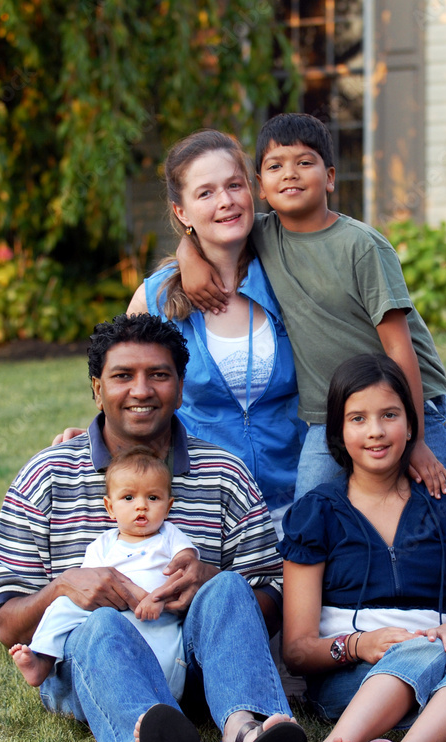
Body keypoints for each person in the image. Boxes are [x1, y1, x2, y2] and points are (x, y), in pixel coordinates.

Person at [0, 313, 307, 742]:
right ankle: (150, 735)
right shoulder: (46, 477)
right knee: (99, 626)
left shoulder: (224, 474)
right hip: (94, 668)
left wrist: (212, 582)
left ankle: (246, 729)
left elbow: (272, 598)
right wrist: (62, 589)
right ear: (97, 388)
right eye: (122, 376)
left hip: (195, 666)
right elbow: (8, 625)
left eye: (158, 375)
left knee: (229, 586)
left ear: (179, 387)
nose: (141, 390)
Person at [175, 113, 446, 502]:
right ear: (262, 187)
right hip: (328, 415)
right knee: (311, 518)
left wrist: (414, 435)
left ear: (330, 176)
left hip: (407, 405)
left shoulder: (362, 246)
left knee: (442, 508)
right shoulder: (263, 234)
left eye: (304, 162)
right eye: (276, 166)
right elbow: (209, 230)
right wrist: (188, 255)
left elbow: (400, 347)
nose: (291, 174)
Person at [278, 354, 446, 742]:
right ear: (338, 430)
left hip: (440, 650)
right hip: (352, 675)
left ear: (411, 425)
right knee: (426, 655)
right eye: (357, 419)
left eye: (390, 415)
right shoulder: (317, 513)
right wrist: (356, 646)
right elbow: (296, 650)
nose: (375, 431)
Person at [57, 129, 304, 537]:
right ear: (181, 211)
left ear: (252, 191)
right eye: (205, 193)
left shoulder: (288, 276)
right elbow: (127, 385)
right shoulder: (154, 298)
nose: (225, 201)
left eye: (234, 185)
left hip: (294, 499)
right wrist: (90, 435)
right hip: (198, 507)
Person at [10, 446, 197, 694]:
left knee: (158, 657)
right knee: (62, 605)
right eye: (128, 498)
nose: (141, 506)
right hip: (109, 616)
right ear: (110, 508)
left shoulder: (169, 536)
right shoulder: (103, 544)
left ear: (168, 505)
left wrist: (157, 597)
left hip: (156, 617)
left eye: (153, 498)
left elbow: (185, 563)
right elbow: (87, 586)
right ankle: (43, 657)